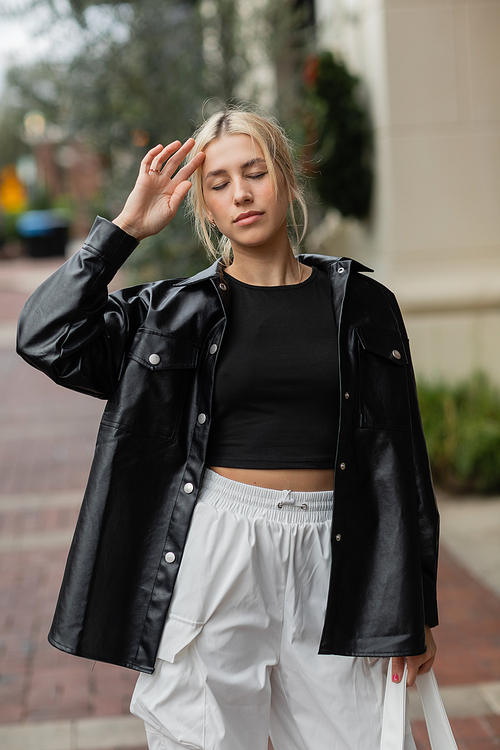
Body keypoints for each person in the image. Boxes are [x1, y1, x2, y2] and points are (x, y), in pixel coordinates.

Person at [17, 106, 438, 750]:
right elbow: (46, 337)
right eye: (218, 183)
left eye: (255, 172)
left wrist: (414, 602)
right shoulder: (171, 312)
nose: (240, 193)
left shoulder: (363, 304)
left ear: (287, 181)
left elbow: (401, 458)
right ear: (204, 206)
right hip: (218, 547)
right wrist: (125, 229)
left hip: (339, 550)